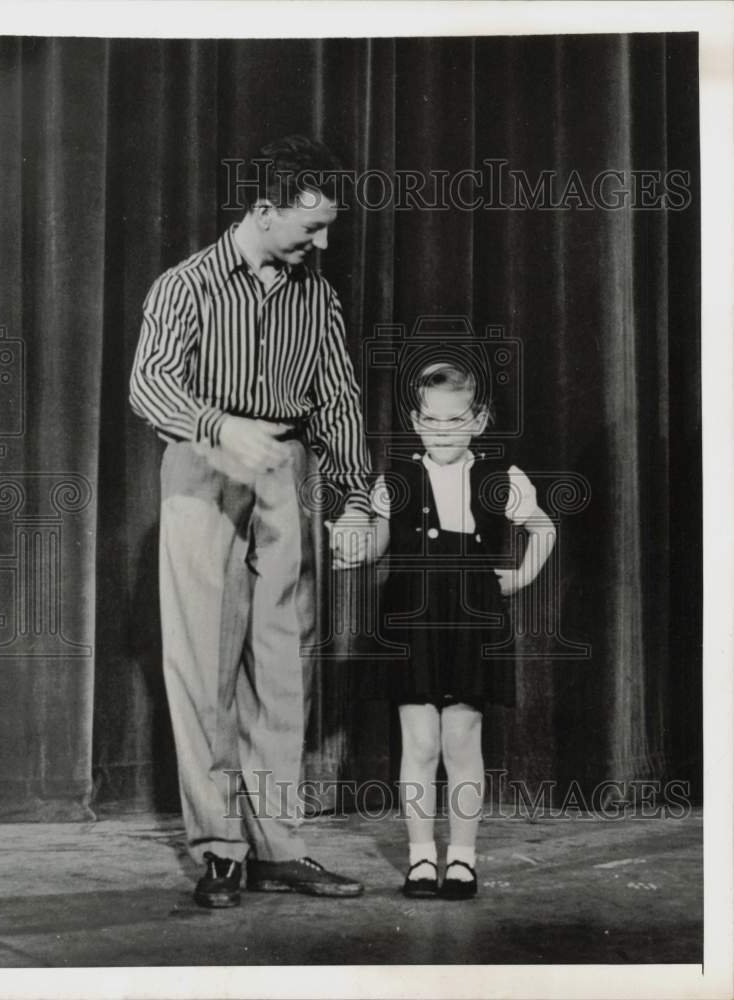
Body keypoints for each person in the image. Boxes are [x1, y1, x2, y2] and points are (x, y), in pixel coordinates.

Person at [129, 135, 374, 907]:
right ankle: (221, 850)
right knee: (204, 665)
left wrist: (356, 496)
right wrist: (215, 427)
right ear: (263, 210)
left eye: (329, 227)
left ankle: (277, 846)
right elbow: (149, 385)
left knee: (280, 664)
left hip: (283, 469)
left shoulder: (318, 294)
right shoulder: (186, 285)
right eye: (312, 225)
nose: (322, 241)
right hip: (206, 467)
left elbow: (336, 399)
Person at [371, 361, 555, 900]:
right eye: (431, 420)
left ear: (476, 421)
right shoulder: (396, 480)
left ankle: (464, 859)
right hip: (411, 617)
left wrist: (520, 578)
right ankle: (422, 858)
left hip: (472, 620)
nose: (442, 431)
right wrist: (351, 544)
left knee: (461, 740)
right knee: (420, 743)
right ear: (415, 421)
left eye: (455, 421)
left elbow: (543, 529)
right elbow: (377, 545)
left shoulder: (500, 478)